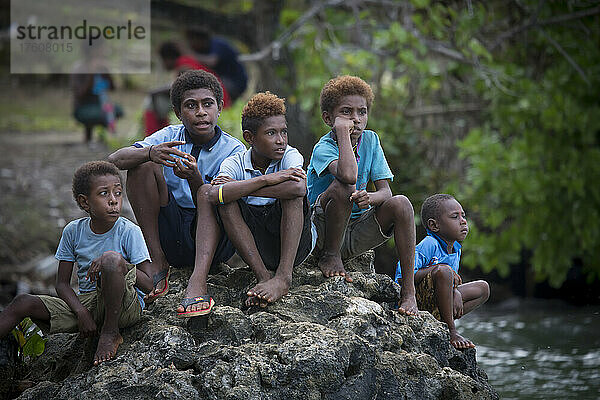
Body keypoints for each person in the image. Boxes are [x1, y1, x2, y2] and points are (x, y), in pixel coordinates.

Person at [108, 70, 245, 309]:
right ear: (179, 113)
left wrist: (195, 179)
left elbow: (221, 201)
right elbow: (116, 159)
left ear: (220, 108)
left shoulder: (233, 150)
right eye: (191, 106)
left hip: (214, 240)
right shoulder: (170, 136)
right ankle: (157, 261)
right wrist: (150, 153)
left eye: (208, 104)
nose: (200, 112)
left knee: (212, 194)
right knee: (141, 165)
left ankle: (198, 279)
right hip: (172, 233)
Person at [0, 161, 153, 365]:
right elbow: (62, 284)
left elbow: (149, 284)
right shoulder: (73, 231)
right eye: (104, 193)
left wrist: (119, 263)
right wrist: (81, 313)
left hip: (123, 307)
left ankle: (110, 332)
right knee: (22, 302)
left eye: (117, 193)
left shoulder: (129, 231)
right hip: (88, 305)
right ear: (84, 202)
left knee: (111, 258)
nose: (114, 201)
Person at [192, 91, 315, 311]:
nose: (280, 140)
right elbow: (215, 195)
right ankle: (263, 276)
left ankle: (284, 277)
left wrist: (242, 189)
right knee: (225, 202)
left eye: (283, 132)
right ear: (249, 137)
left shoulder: (290, 155)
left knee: (292, 196)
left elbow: (298, 187)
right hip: (257, 246)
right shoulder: (235, 162)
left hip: (295, 246)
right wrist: (266, 179)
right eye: (271, 133)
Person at [306, 75, 419, 315]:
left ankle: (409, 292)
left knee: (402, 204)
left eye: (362, 112)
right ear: (328, 118)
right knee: (343, 187)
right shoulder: (323, 148)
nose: (356, 120)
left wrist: (370, 197)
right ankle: (331, 255)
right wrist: (344, 135)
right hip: (323, 231)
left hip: (357, 229)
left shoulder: (371, 140)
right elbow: (347, 176)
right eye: (346, 112)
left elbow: (385, 192)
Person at [395, 194, 490, 349]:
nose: (463, 221)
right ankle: (451, 330)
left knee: (483, 288)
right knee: (444, 271)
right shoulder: (429, 244)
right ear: (434, 225)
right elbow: (402, 276)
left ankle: (441, 320)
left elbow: (450, 283)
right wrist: (437, 270)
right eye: (455, 217)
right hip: (415, 300)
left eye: (463, 216)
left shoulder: (455, 250)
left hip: (436, 301)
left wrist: (455, 292)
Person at [143, 41, 231, 136]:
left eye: (163, 60)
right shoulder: (186, 61)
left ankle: (153, 134)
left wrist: (154, 92)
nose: (163, 64)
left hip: (213, 100)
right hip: (213, 100)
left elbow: (185, 88)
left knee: (150, 102)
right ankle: (160, 133)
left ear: (168, 58)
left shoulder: (183, 65)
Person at [185, 27, 248, 102]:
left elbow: (212, 61)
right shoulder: (203, 49)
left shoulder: (216, 44)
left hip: (234, 83)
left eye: (192, 40)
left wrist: (189, 54)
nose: (190, 44)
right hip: (223, 81)